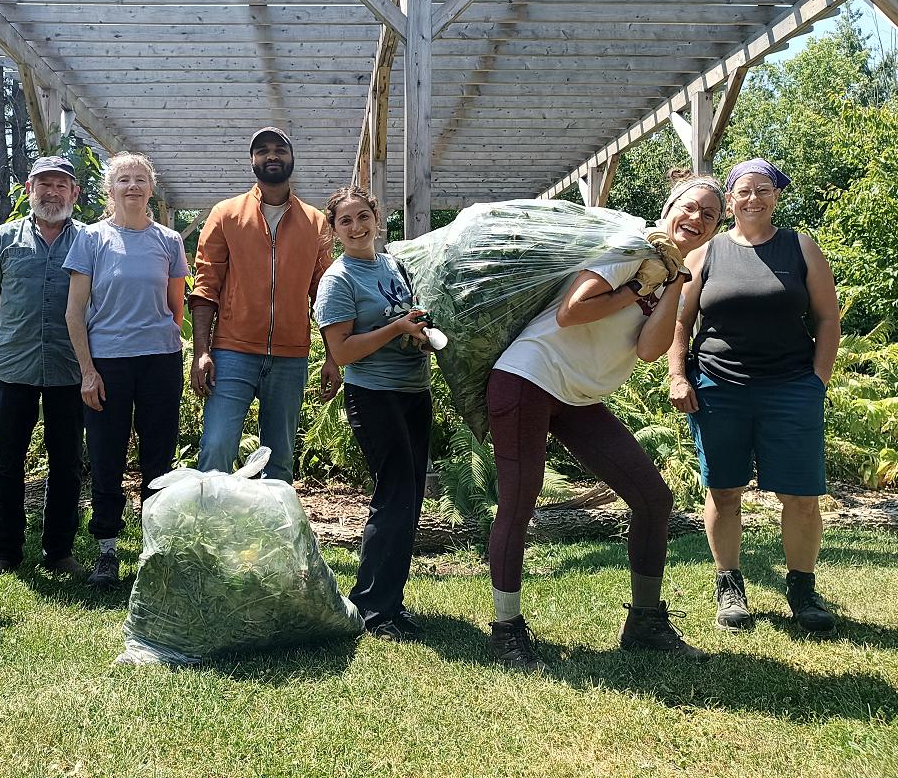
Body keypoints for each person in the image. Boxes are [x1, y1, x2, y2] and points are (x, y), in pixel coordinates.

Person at [486, 174, 725, 670]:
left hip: (578, 396)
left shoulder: (676, 277)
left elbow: (649, 350)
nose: (696, 219)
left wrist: (672, 284)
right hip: (528, 376)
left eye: (709, 215)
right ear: (669, 208)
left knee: (653, 499)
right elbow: (572, 312)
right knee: (519, 501)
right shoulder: (630, 247)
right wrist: (639, 285)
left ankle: (644, 623)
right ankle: (507, 631)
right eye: (689, 207)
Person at [668, 158, 841, 637]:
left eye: (763, 190)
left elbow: (828, 318)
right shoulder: (707, 253)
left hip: (792, 387)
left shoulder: (800, 247)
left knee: (801, 496)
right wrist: (678, 376)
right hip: (718, 389)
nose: (753, 199)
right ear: (730, 202)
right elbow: (681, 322)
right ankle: (729, 587)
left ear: (776, 196)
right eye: (743, 192)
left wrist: (818, 380)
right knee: (724, 490)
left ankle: (802, 590)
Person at [64, 152, 188, 586]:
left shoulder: (169, 241)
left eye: (140, 179)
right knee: (106, 457)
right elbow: (74, 312)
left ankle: (156, 551)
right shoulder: (91, 239)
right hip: (107, 365)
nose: (132, 186)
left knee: (159, 459)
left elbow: (175, 308)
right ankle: (107, 550)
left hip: (160, 362)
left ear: (151, 188)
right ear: (110, 189)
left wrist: (160, 342)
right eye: (123, 180)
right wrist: (88, 371)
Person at [189, 127, 340, 484]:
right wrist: (202, 352)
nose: (272, 155)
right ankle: (211, 519)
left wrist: (333, 358)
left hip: (290, 357)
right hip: (232, 353)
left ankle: (273, 521)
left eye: (279, 149)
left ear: (292, 158)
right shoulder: (226, 214)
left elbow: (325, 294)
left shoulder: (315, 221)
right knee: (217, 447)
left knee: (280, 460)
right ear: (252, 160)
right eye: (263, 150)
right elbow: (206, 286)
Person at [314, 186, 432, 641]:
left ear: (376, 218)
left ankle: (389, 602)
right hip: (374, 394)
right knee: (395, 493)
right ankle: (372, 609)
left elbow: (405, 320)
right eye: (345, 221)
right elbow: (343, 352)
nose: (357, 226)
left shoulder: (393, 265)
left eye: (363, 216)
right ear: (334, 230)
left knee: (409, 497)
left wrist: (418, 333)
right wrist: (396, 327)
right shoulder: (338, 281)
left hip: (413, 390)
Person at [0, 155, 86, 578]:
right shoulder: (1, 239)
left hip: (70, 368)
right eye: (44, 184)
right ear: (29, 190)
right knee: (6, 461)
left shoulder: (89, 242)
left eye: (61, 185)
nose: (52, 193)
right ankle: (5, 551)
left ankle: (59, 551)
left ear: (74, 193)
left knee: (67, 461)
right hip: (11, 367)